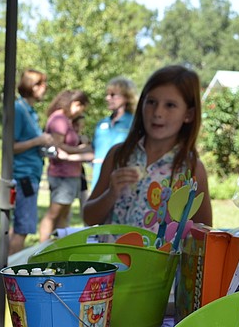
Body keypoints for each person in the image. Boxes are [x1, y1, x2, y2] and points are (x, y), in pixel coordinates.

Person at [84, 65, 213, 232]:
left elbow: (204, 233)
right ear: (141, 105)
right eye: (151, 102)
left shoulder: (192, 169)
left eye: (170, 105)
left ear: (188, 114)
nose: (158, 112)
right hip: (108, 257)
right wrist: (111, 194)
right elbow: (89, 217)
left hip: (162, 259)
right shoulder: (119, 155)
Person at [39, 90, 94, 242]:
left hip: (70, 174)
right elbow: (59, 146)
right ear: (75, 104)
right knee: (53, 214)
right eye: (81, 108)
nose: (80, 112)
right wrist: (82, 150)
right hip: (62, 174)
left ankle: (57, 247)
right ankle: (40, 248)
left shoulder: (66, 120)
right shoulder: (59, 119)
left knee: (63, 215)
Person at [10, 69, 53, 255]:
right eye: (42, 84)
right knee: (23, 228)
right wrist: (39, 141)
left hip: (30, 174)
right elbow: (10, 146)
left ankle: (5, 268)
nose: (45, 88)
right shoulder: (19, 109)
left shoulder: (31, 111)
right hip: (24, 176)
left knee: (18, 226)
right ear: (32, 86)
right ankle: (8, 274)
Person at [91, 76, 137, 189]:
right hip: (98, 180)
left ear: (126, 97)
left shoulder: (134, 123)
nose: (107, 98)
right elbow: (95, 151)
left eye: (113, 95)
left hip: (121, 182)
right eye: (107, 95)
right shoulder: (101, 124)